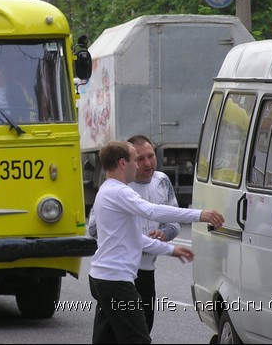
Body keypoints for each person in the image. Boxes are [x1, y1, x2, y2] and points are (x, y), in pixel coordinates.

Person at [88, 140, 224, 344]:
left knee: (107, 339)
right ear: (122, 164)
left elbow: (136, 239)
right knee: (138, 339)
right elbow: (151, 210)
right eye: (136, 160)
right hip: (116, 283)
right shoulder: (119, 192)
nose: (140, 165)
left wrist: (171, 250)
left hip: (102, 278)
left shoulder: (106, 190)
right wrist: (200, 214)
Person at [89, 135, 181, 333]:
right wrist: (128, 235)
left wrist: (164, 234)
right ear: (126, 163)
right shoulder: (120, 186)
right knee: (132, 336)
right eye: (140, 159)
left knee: (142, 328)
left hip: (146, 272)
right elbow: (94, 228)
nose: (147, 163)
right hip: (119, 274)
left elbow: (174, 223)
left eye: (151, 156)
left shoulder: (162, 181)